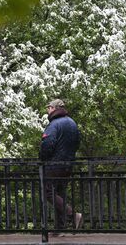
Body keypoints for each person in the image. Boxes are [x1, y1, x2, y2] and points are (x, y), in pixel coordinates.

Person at [39, 98, 83, 234]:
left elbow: (47, 144)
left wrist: (42, 158)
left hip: (54, 164)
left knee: (48, 192)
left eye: (49, 107)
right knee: (59, 194)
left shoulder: (54, 124)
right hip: (68, 164)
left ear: (54, 109)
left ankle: (73, 215)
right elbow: (77, 142)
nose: (47, 110)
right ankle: (60, 228)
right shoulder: (72, 123)